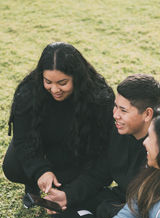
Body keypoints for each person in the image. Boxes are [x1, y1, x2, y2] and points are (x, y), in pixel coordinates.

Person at [17, 74, 160, 218]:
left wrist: (107, 212)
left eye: (123, 110)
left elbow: (154, 210)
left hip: (143, 215)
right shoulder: (119, 129)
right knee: (66, 200)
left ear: (148, 114)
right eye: (115, 106)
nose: (115, 115)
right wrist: (67, 197)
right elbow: (100, 171)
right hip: (120, 198)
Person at [3, 42, 114, 207]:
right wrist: (40, 171)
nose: (55, 89)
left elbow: (103, 150)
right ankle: (34, 182)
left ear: (77, 77)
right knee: (13, 165)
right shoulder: (28, 92)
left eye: (62, 83)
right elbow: (23, 139)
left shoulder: (99, 97)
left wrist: (74, 190)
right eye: (48, 81)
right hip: (44, 145)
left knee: (74, 185)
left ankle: (67, 188)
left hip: (79, 151)